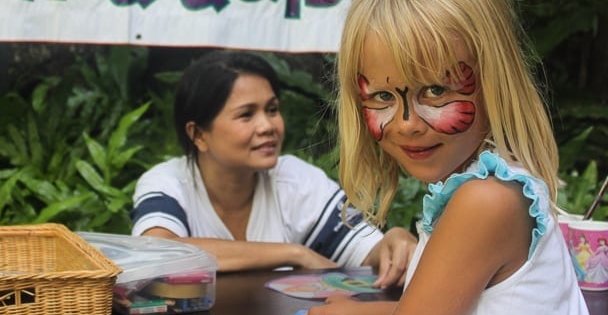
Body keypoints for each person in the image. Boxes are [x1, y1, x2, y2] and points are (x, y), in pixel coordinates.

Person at [250, 0, 598, 315]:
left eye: (435, 91)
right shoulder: (492, 186)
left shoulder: (486, 202)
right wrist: (363, 312)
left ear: (494, 78)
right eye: (382, 97)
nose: (408, 123)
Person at [131, 50, 417, 287]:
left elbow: (366, 254)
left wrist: (391, 245)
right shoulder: (167, 183)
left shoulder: (295, 180)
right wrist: (292, 254)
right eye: (246, 115)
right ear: (198, 135)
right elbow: (158, 253)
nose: (268, 126)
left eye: (271, 109)